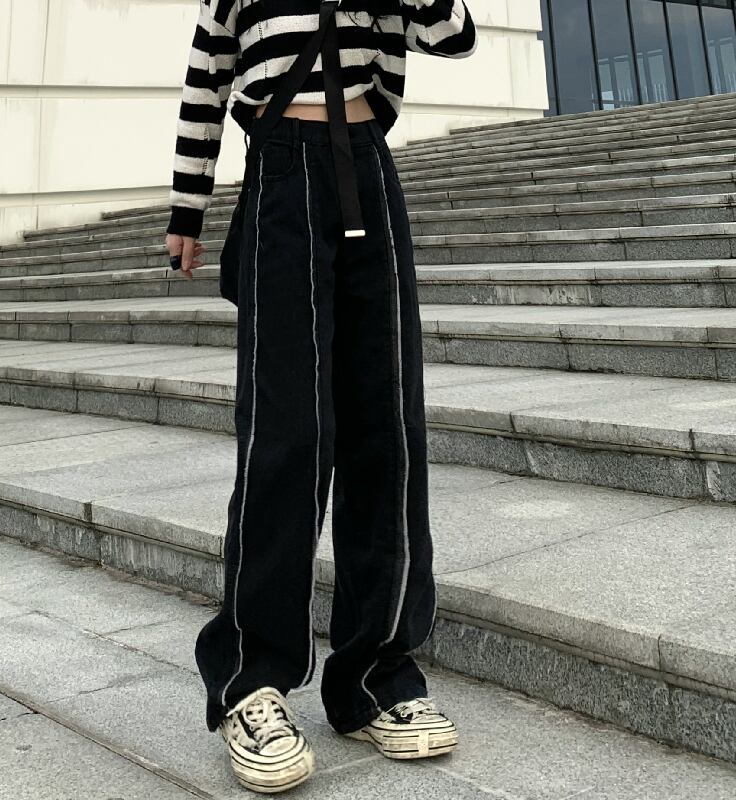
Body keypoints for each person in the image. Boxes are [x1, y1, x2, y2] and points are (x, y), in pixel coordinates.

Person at [164, 0, 478, 792]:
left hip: (367, 167)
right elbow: (205, 83)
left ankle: (376, 675)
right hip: (280, 174)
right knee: (285, 431)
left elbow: (454, 36)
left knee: (388, 428)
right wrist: (187, 207)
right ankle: (251, 680)